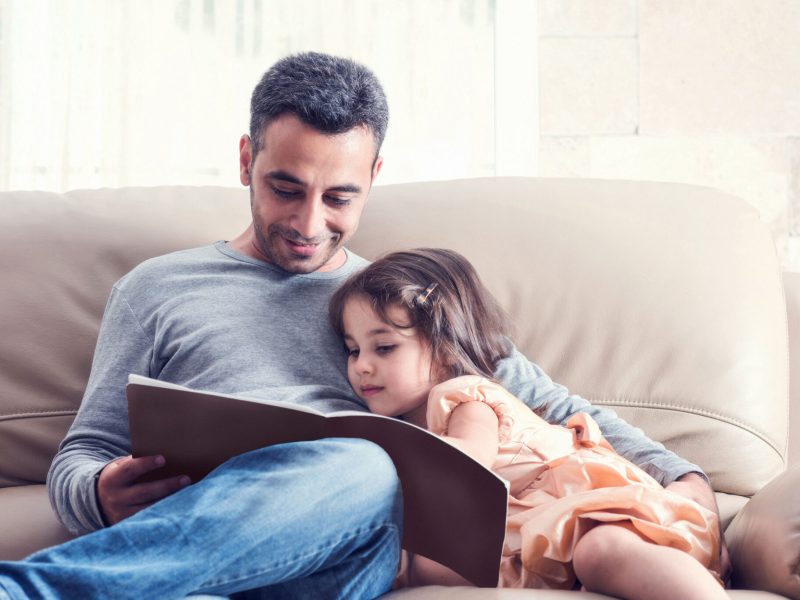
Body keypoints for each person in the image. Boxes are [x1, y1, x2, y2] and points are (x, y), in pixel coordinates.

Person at [0, 51, 726, 599]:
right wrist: (99, 492)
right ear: (247, 160)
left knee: (363, 463)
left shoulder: (397, 302)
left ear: (375, 176)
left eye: (339, 196)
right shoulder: (156, 288)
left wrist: (686, 481)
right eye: (286, 188)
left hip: (351, 547)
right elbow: (81, 454)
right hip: (196, 533)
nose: (309, 224)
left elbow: (552, 404)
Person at [329, 248, 727, 599]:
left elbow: (468, 462)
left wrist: (388, 467)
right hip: (548, 534)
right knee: (434, 568)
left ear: (446, 348)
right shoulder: (420, 422)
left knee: (599, 550)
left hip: (607, 515)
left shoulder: (465, 397)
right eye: (352, 350)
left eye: (384, 347)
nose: (361, 365)